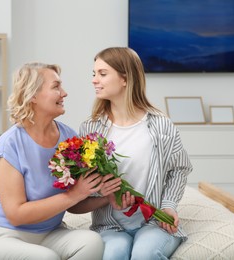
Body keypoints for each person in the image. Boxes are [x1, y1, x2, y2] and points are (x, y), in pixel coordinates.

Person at [0, 62, 105, 260]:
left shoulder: (68, 137)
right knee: (46, 258)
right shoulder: (10, 143)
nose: (64, 93)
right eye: (56, 87)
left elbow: (72, 203)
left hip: (50, 232)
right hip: (4, 234)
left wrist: (106, 198)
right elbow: (16, 214)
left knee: (92, 242)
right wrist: (73, 195)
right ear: (32, 95)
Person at [77, 47, 193, 259]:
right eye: (94, 74)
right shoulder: (90, 129)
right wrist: (104, 193)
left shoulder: (161, 125)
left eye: (102, 74)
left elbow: (180, 169)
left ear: (125, 78)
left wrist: (168, 206)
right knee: (114, 253)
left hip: (153, 222)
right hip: (109, 226)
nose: (94, 80)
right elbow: (85, 183)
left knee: (144, 253)